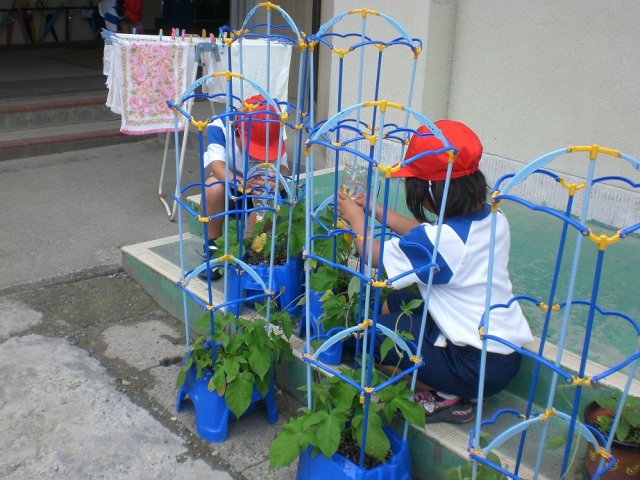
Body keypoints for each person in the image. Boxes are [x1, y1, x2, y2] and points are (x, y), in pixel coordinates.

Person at [336, 120, 533, 424]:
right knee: (400, 300)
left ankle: (445, 393)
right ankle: (444, 379)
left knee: (370, 336)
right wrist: (375, 209)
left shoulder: (441, 242)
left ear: (431, 190)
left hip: (473, 366)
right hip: (499, 354)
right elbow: (428, 235)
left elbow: (374, 256)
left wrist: (355, 218)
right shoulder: (494, 218)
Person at [199, 94, 289, 280]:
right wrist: (241, 183)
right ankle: (212, 249)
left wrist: (277, 181)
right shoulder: (221, 125)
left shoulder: (274, 125)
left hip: (260, 191)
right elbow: (216, 166)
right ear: (238, 131)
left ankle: (251, 252)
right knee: (212, 187)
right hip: (231, 190)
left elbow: (284, 168)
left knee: (268, 195)